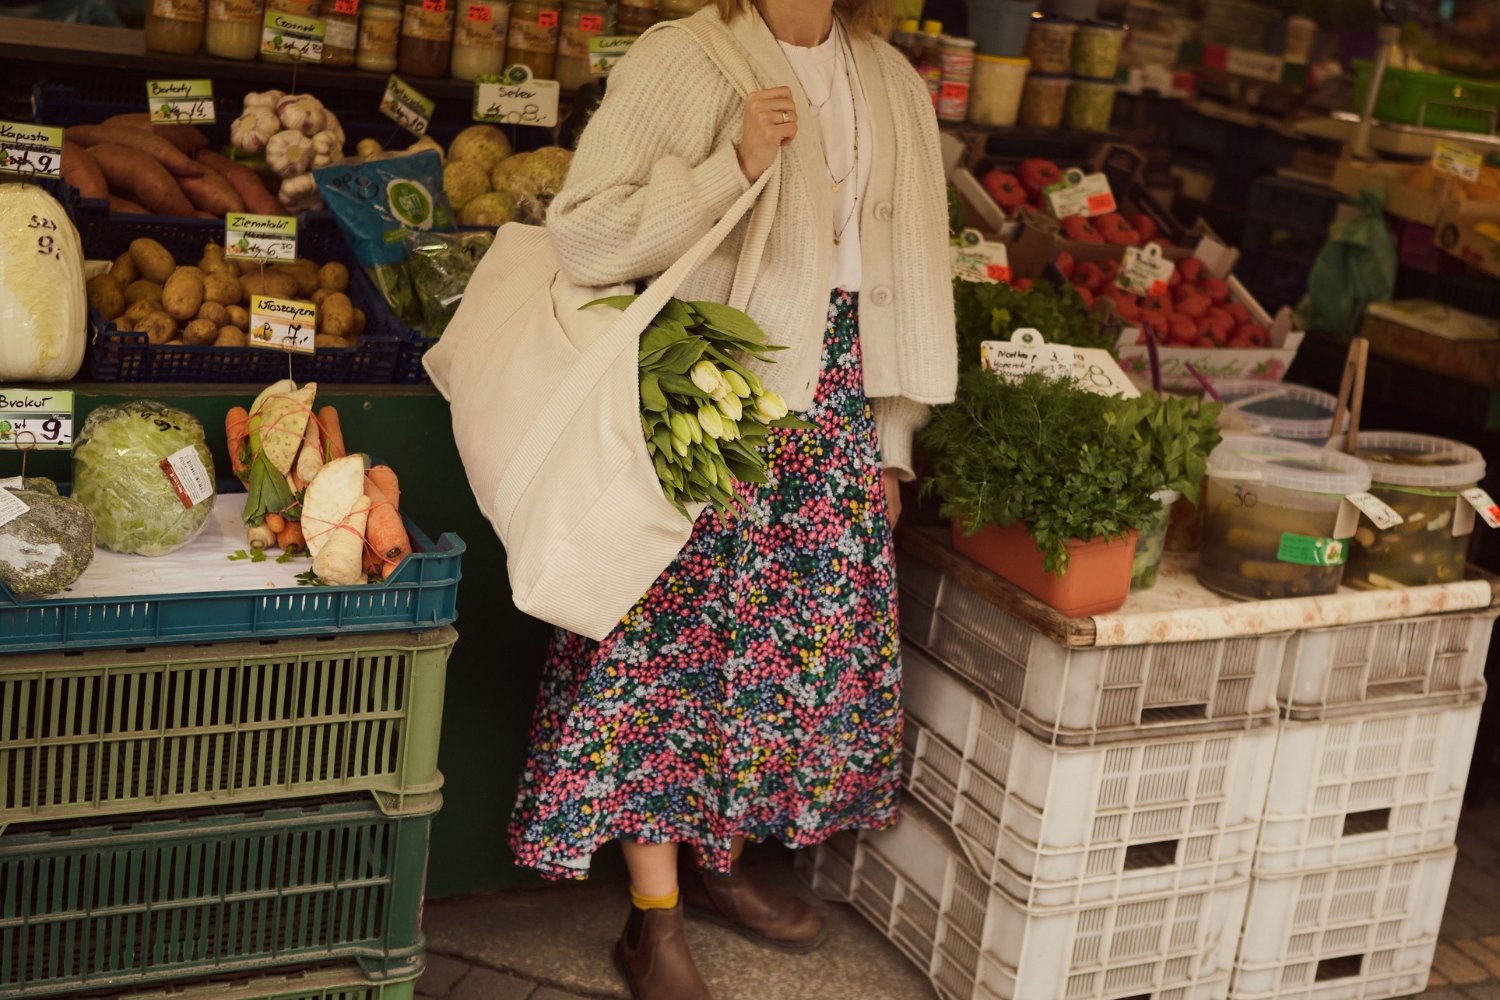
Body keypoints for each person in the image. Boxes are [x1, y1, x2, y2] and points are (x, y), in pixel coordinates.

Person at [505, 0, 956, 996]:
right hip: (708, 404)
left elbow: (912, 271)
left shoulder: (895, 84)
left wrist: (890, 441)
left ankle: (719, 863)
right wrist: (732, 165)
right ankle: (653, 919)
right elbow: (582, 236)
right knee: (659, 658)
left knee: (781, 663)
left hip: (833, 413)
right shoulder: (685, 58)